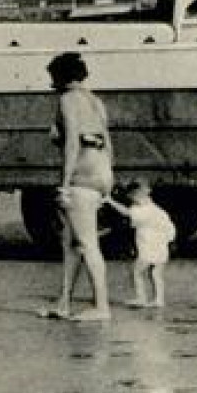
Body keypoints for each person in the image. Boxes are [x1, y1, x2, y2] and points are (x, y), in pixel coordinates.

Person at [39, 52, 114, 322]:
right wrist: (109, 179)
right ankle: (63, 303)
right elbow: (107, 141)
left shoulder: (67, 100)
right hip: (101, 172)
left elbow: (72, 142)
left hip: (81, 175)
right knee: (70, 243)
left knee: (87, 244)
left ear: (59, 77)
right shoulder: (95, 101)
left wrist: (64, 183)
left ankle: (101, 306)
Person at [104, 181, 176, 308]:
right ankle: (159, 299)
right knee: (156, 274)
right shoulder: (158, 210)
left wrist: (110, 201)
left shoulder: (142, 211)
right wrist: (169, 240)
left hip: (148, 247)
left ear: (137, 197)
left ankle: (140, 297)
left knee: (136, 272)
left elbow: (126, 212)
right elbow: (170, 228)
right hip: (161, 247)